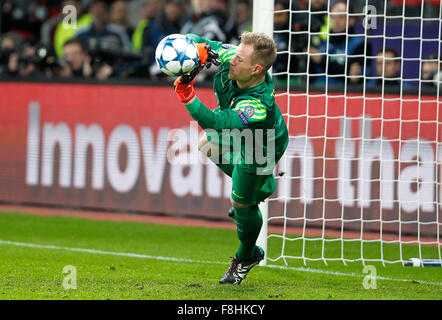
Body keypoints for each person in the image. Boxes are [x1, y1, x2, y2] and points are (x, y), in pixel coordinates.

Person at [173, 32, 289, 284]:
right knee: (205, 145)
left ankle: (246, 255)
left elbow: (218, 123)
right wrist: (197, 49)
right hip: (239, 132)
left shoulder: (257, 105)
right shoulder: (236, 58)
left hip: (260, 146)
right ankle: (260, 186)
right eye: (234, 54)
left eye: (239, 59)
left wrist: (187, 96)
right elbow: (197, 40)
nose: (231, 60)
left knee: (241, 205)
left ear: (257, 69)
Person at [309, 1, 370, 86]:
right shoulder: (323, 41)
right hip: (317, 91)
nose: (336, 21)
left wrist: (322, 60)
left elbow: (352, 75)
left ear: (351, 20)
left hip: (343, 92)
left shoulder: (360, 45)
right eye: (333, 17)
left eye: (341, 17)